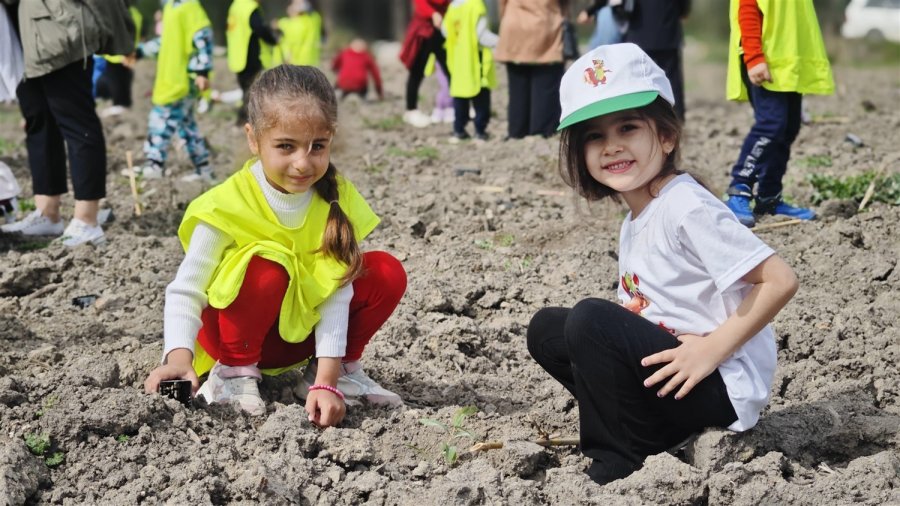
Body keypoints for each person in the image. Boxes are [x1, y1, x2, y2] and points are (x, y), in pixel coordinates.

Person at [526, 43, 799, 486]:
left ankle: (617, 462)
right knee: (549, 329)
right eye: (594, 136)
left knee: (591, 319)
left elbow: (779, 280)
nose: (611, 146)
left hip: (718, 382)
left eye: (628, 127)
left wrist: (710, 349)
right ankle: (651, 429)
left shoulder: (685, 205)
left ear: (667, 136)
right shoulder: (636, 218)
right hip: (677, 373)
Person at [143, 65, 408, 423]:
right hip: (230, 336)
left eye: (318, 146)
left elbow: (336, 291)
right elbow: (186, 290)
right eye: (286, 146)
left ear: (332, 137)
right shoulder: (226, 203)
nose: (303, 162)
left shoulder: (336, 198)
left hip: (292, 339)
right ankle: (232, 375)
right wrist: (178, 358)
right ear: (253, 139)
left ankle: (338, 373)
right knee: (268, 264)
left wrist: (326, 381)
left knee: (384, 271)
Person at [0, 0, 134, 247]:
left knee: (76, 121)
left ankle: (87, 220)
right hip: (29, 32)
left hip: (58, 28)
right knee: (39, 121)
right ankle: (47, 213)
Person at [723, 0, 833, 227]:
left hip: (788, 64)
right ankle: (738, 190)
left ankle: (769, 197)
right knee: (771, 125)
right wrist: (754, 58)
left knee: (787, 128)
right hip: (765, 60)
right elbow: (748, 8)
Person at [127, 0, 214, 183]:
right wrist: (141, 51)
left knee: (160, 119)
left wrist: (202, 71)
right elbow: (167, 41)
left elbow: (202, 36)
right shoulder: (170, 7)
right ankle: (204, 169)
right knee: (187, 127)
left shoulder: (189, 6)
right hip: (172, 78)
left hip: (181, 80)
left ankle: (154, 164)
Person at [581, 0, 690, 120]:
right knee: (671, 75)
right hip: (666, 25)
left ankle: (640, 115)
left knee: (638, 77)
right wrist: (683, 11)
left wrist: (590, 10)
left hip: (639, 28)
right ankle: (677, 116)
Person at [494, 0, 570, 139]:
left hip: (514, 24)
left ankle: (517, 130)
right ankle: (541, 130)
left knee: (517, 87)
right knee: (545, 83)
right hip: (545, 24)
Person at [443, 0, 498, 142]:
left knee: (460, 96)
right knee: (481, 98)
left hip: (458, 60)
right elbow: (481, 35)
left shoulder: (453, 6)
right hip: (475, 60)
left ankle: (458, 130)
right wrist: (501, 41)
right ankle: (480, 132)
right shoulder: (476, 5)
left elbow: (445, 30)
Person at [399, 0, 451, 128]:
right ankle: (411, 110)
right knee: (417, 71)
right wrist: (433, 13)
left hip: (441, 30)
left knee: (450, 69)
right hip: (423, 31)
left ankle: (459, 105)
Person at [227, 0, 279, 126]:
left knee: (246, 88)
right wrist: (273, 40)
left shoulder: (235, 5)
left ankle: (242, 120)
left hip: (237, 54)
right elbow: (259, 28)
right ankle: (245, 120)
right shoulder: (250, 7)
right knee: (252, 90)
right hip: (250, 55)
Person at [95, 3, 142, 118]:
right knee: (117, 78)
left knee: (117, 78)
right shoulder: (134, 13)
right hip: (120, 52)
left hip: (119, 53)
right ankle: (121, 102)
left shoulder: (125, 13)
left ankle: (120, 103)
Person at [275, 0, 324, 67]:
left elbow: (295, 41)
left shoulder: (297, 23)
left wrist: (288, 57)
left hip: (297, 61)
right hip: (312, 60)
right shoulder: (315, 18)